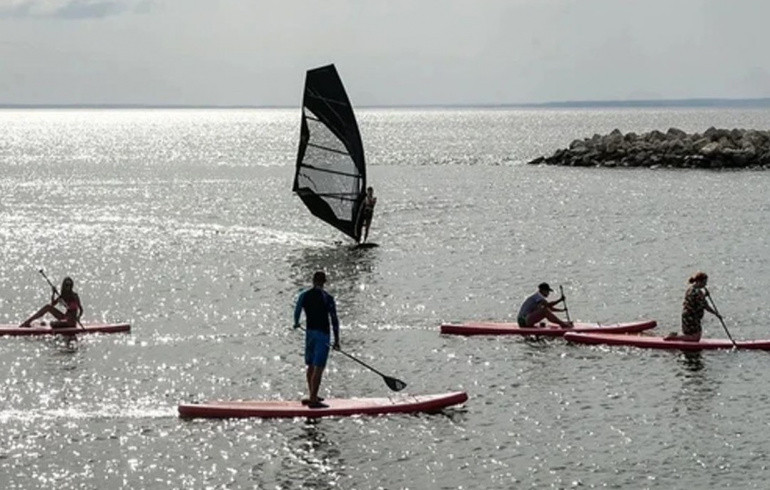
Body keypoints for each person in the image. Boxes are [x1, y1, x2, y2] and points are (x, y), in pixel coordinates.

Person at [293, 271, 340, 408]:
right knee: (319, 367)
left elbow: (297, 310)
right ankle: (313, 399)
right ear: (324, 282)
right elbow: (334, 320)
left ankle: (312, 394)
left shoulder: (304, 295)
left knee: (311, 365)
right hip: (322, 335)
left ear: (313, 281)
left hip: (310, 334)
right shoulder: (327, 298)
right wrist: (337, 340)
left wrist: (296, 322)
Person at [665, 271, 721, 341]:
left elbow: (695, 300)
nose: (705, 284)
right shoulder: (698, 292)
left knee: (689, 335)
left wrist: (704, 295)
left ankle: (676, 335)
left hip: (686, 315)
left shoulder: (690, 289)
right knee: (696, 338)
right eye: (704, 282)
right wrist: (716, 314)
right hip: (692, 317)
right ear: (698, 281)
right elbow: (706, 306)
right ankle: (674, 337)